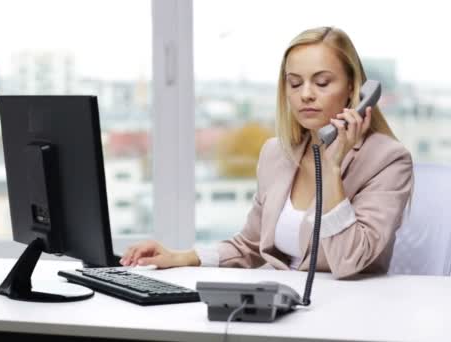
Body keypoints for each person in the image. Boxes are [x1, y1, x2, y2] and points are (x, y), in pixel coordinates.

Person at [120, 26, 414, 279]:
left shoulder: (388, 160)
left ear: (353, 87)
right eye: (295, 82)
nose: (306, 94)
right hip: (284, 305)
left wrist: (333, 170)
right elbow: (249, 245)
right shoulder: (277, 153)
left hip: (353, 311)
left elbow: (350, 261)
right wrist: (180, 257)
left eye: (322, 82)